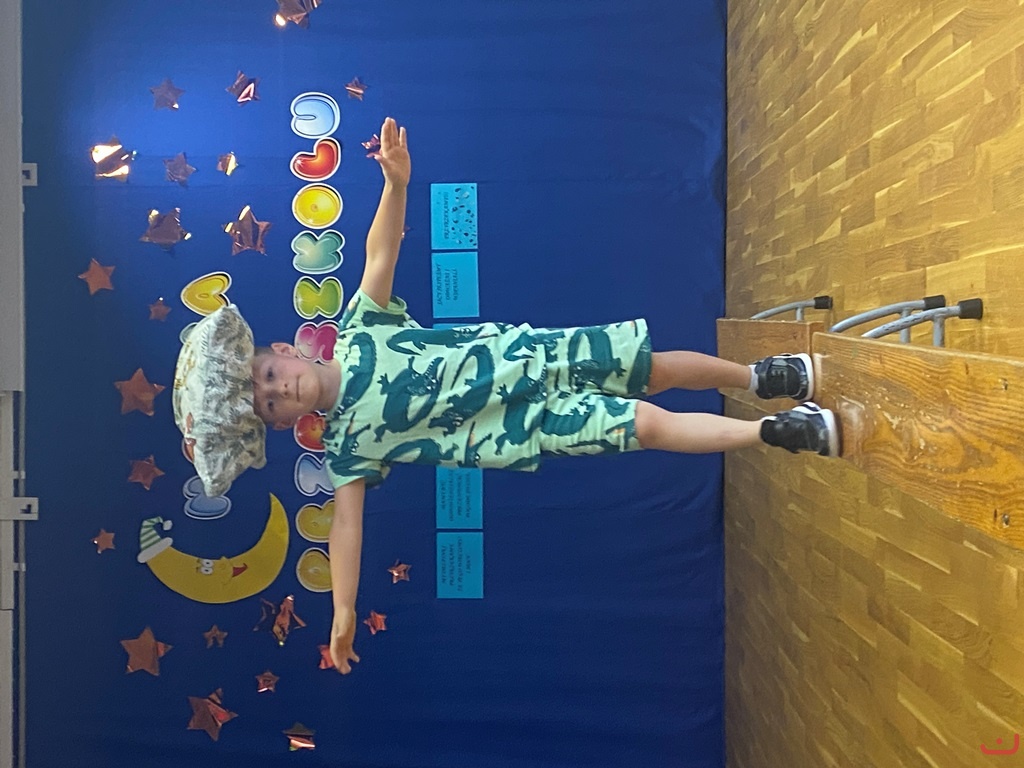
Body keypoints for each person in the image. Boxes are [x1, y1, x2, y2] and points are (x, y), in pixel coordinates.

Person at [178, 116, 841, 676]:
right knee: (646, 425)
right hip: (526, 426)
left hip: (534, 356)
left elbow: (379, 255)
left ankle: (760, 378)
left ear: (286, 350)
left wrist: (396, 183)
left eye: (269, 376)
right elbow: (346, 528)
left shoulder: (360, 329)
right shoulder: (348, 446)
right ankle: (776, 432)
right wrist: (343, 608)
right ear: (282, 423)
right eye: (270, 404)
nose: (278, 390)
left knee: (656, 368)